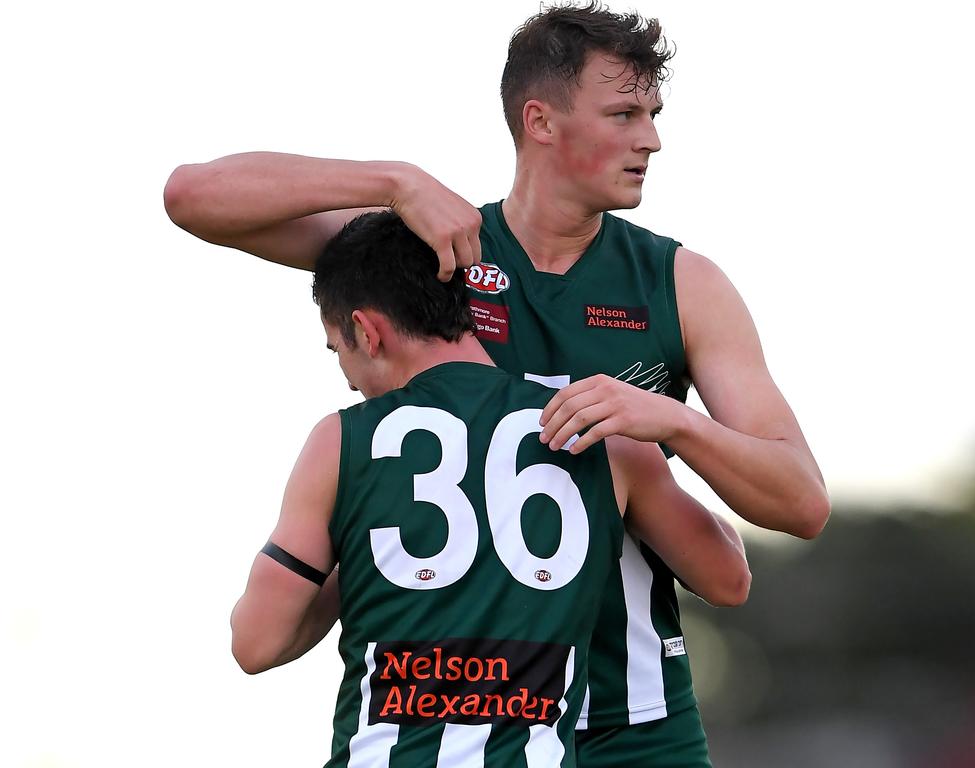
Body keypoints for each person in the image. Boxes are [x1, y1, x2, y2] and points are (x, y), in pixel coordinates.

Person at [166, 4, 828, 765]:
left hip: (635, 723)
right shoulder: (432, 249)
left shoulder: (682, 283)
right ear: (540, 121)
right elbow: (193, 197)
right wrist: (392, 180)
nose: (651, 138)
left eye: (652, 112)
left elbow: (801, 501)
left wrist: (673, 423)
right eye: (623, 113)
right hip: (464, 722)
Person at [230, 210, 749, 767]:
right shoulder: (606, 438)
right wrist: (670, 427)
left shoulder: (342, 439)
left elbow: (256, 642)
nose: (350, 379)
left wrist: (367, 546)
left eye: (339, 352)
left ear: (366, 330)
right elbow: (728, 578)